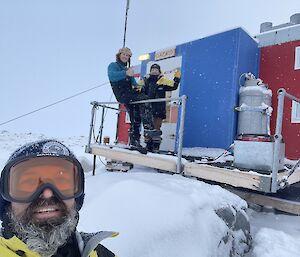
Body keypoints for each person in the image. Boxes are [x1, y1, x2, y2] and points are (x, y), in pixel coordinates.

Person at [0, 139, 117, 257]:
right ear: (7, 202)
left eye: (61, 181)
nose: (47, 194)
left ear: (76, 201)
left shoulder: (99, 253)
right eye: (30, 182)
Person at [107, 47, 161, 151]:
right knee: (144, 99)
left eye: (128, 56)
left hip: (130, 94)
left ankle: (134, 142)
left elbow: (134, 84)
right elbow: (112, 76)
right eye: (124, 54)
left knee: (135, 118)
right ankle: (148, 128)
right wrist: (125, 73)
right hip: (122, 94)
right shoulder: (113, 66)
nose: (125, 57)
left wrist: (140, 85)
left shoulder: (128, 69)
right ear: (119, 55)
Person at [141, 63, 181, 152]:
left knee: (156, 128)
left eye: (156, 70)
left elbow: (174, 86)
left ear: (159, 71)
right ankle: (148, 146)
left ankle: (155, 147)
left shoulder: (163, 81)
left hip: (158, 109)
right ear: (150, 71)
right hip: (147, 109)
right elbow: (139, 89)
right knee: (147, 128)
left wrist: (177, 77)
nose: (154, 71)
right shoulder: (146, 81)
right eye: (152, 70)